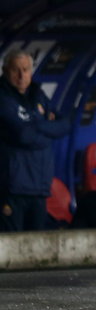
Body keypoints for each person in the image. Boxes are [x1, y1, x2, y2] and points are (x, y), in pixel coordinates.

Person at [0, 50, 71, 232]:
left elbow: (65, 125)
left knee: (37, 247)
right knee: (13, 247)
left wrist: (37, 125)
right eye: (16, 70)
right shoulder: (3, 97)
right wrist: (46, 125)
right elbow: (23, 134)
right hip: (12, 187)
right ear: (5, 70)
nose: (21, 76)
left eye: (26, 70)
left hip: (39, 186)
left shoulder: (38, 95)